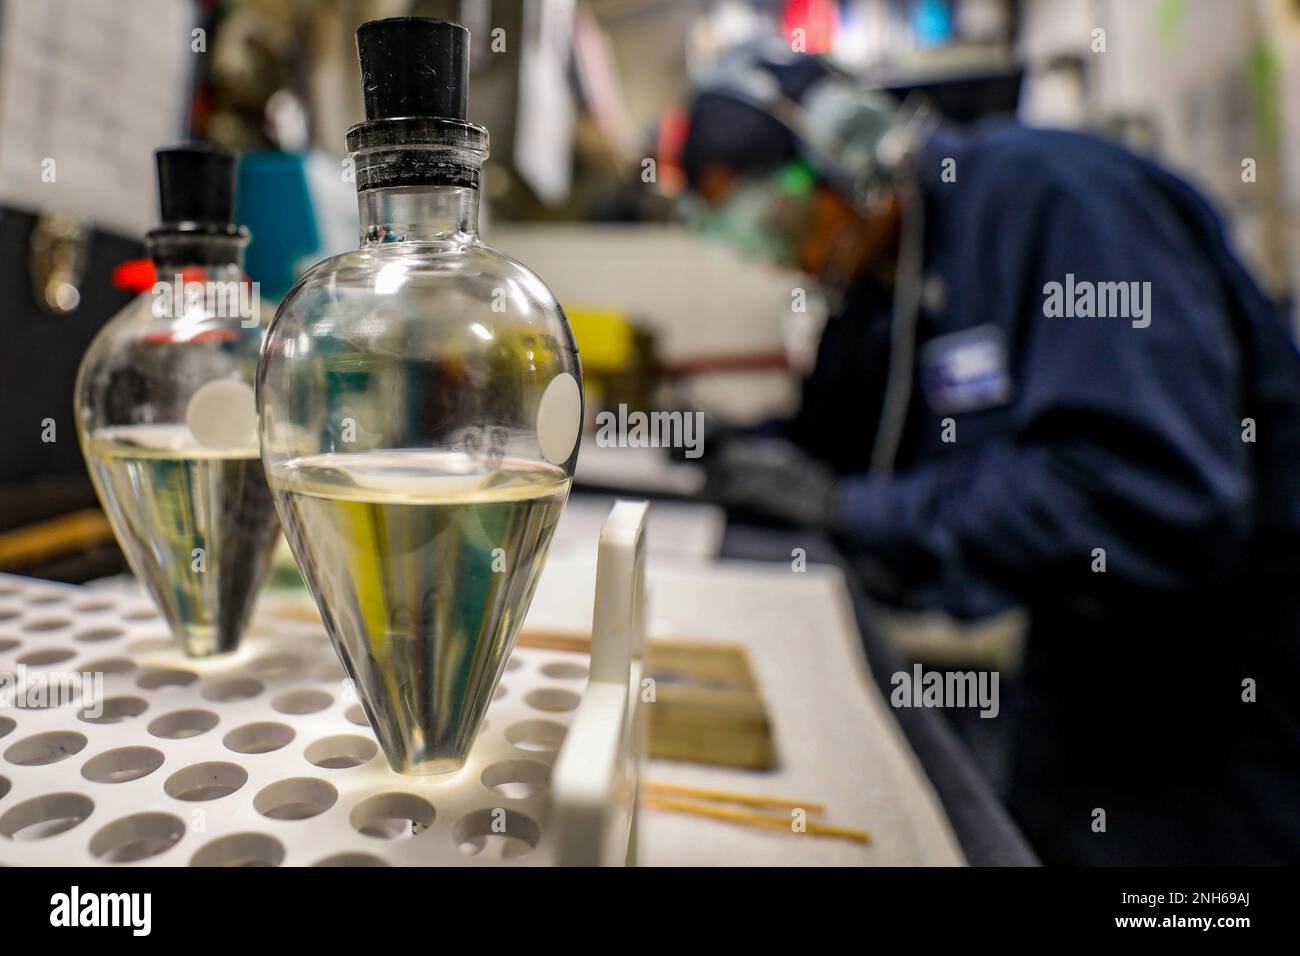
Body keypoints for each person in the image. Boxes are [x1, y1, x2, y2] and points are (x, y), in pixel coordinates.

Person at [682, 40, 1300, 866]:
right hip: (1076, 676)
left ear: (846, 147)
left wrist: (849, 511)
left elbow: (1145, 499)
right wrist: (729, 451)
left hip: (1220, 701)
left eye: (781, 218)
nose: (785, 257)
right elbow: (838, 444)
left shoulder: (1062, 202)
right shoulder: (889, 276)